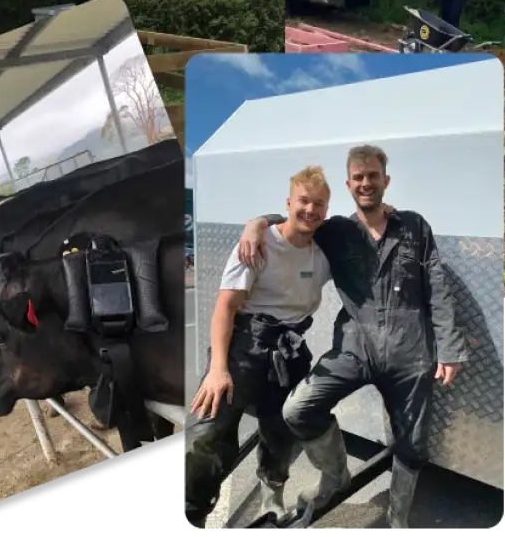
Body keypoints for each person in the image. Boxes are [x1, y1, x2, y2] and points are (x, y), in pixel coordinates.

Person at [238, 145, 468, 532]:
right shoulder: (336, 231)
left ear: (385, 181)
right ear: (349, 184)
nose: (366, 183)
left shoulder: (414, 226)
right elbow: (297, 222)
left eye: (373, 176)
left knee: (411, 445)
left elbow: (438, 289)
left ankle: (397, 519)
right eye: (358, 177)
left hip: (410, 352)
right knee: (297, 409)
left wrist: (449, 348)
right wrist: (257, 223)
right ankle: (334, 476)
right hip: (354, 348)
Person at [183, 167, 335, 532]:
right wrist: (218, 369)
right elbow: (225, 308)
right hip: (244, 346)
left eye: (319, 204)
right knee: (207, 432)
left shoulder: (326, 251)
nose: (311, 210)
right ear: (288, 202)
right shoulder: (258, 243)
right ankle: (192, 514)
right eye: (303, 201)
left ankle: (272, 498)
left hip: (290, 351)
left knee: (279, 433)